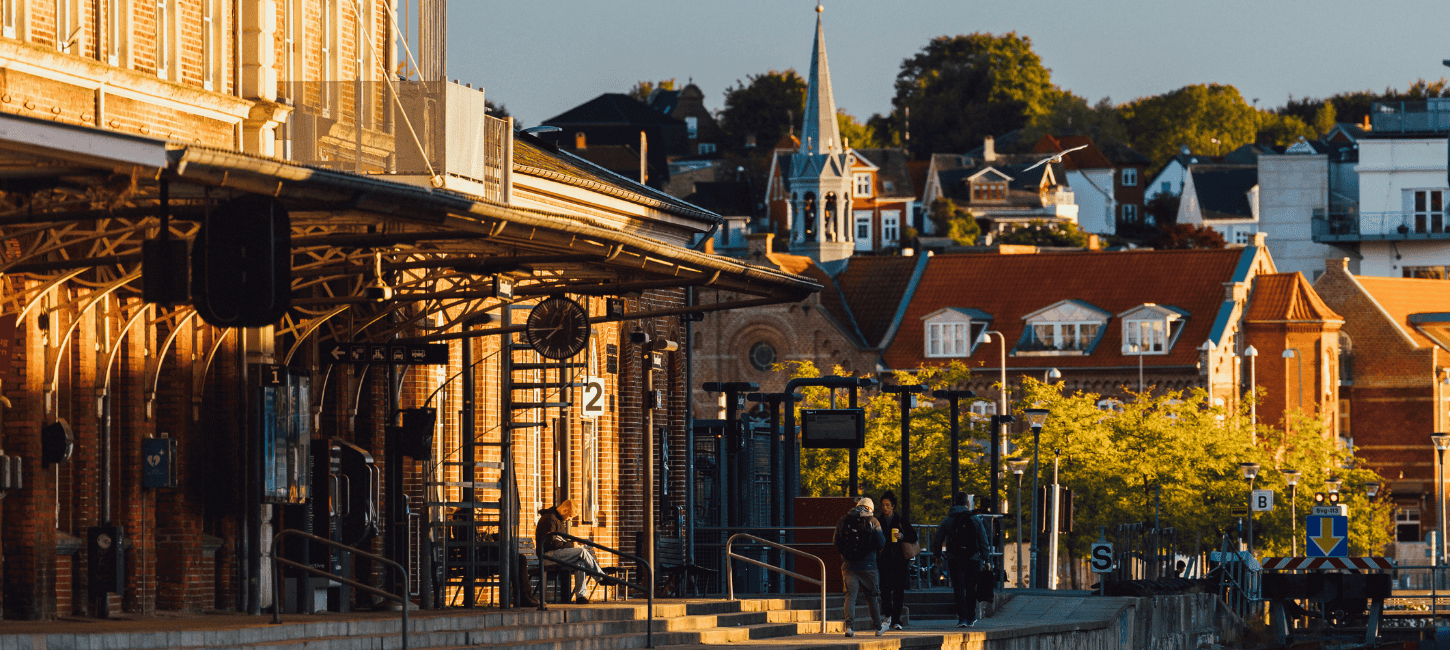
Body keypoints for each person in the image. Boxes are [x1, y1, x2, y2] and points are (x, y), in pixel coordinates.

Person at [934, 493, 993, 627]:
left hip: (954, 558)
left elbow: (938, 538)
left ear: (955, 502)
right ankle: (971, 616)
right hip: (972, 558)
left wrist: (937, 555)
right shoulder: (974, 519)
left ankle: (962, 618)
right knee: (971, 587)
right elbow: (983, 539)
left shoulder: (948, 519)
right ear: (967, 503)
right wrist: (986, 559)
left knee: (958, 588)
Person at [833, 496, 887, 638]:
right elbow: (881, 542)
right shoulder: (873, 521)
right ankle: (878, 628)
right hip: (868, 566)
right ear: (870, 508)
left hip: (848, 565)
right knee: (872, 597)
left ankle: (849, 628)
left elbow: (836, 541)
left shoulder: (843, 520)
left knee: (850, 597)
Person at [535, 499, 603, 604]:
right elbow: (551, 543)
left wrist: (572, 541)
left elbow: (560, 541)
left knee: (579, 563)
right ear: (565, 510)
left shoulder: (558, 520)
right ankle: (601, 578)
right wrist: (572, 545)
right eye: (570, 516)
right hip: (547, 556)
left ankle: (581, 596)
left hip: (556, 555)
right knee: (581, 552)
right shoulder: (549, 520)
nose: (569, 519)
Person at [875, 491, 917, 630]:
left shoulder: (901, 521)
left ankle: (896, 620)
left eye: (887, 505)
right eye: (883, 505)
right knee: (885, 590)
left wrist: (902, 536)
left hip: (899, 561)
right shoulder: (878, 521)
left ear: (893, 506)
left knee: (899, 591)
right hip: (884, 560)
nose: (885, 508)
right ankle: (888, 615)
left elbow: (913, 536)